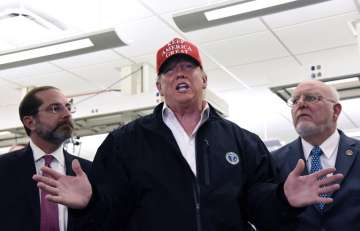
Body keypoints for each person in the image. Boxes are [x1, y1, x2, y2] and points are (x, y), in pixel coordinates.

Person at [33, 38, 343, 231]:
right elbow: (110, 214)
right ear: (159, 87)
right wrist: (90, 203)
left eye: (188, 67)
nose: (179, 73)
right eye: (169, 70)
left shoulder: (242, 141)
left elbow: (259, 206)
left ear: (203, 78)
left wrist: (284, 199)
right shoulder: (124, 143)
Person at [272, 79, 360, 230]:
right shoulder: (273, 161)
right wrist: (284, 201)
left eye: (311, 98)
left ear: (336, 110)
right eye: (295, 100)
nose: (301, 104)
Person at [0, 86, 92, 231]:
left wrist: (88, 205)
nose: (67, 114)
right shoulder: (4, 169)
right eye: (55, 108)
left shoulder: (88, 172)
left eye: (68, 107)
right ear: (30, 122)